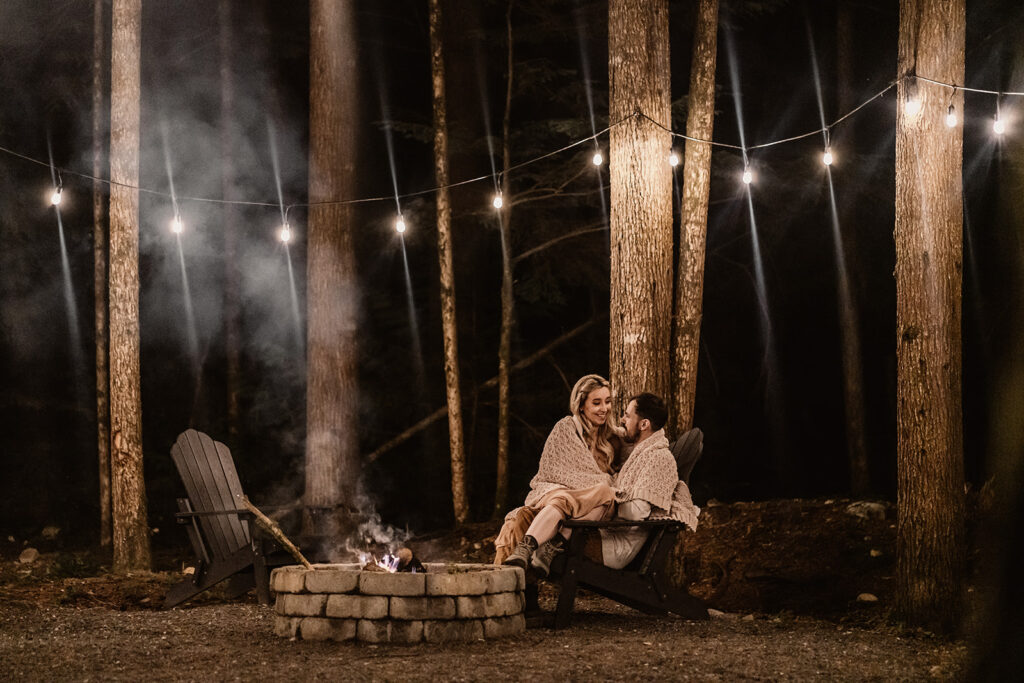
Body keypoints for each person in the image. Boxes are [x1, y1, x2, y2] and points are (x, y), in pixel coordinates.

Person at [494, 374, 621, 574]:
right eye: (596, 403)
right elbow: (554, 472)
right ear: (581, 405)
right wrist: (597, 483)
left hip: (588, 511)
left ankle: (537, 557)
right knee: (519, 520)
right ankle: (510, 587)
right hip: (557, 498)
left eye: (607, 402)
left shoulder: (613, 439)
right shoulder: (566, 428)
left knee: (604, 491)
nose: (604, 408)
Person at [600, 392, 699, 569]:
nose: (622, 420)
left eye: (628, 415)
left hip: (618, 547)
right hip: (606, 535)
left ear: (644, 424)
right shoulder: (639, 455)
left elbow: (637, 512)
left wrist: (607, 499)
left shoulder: (659, 458)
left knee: (554, 540)